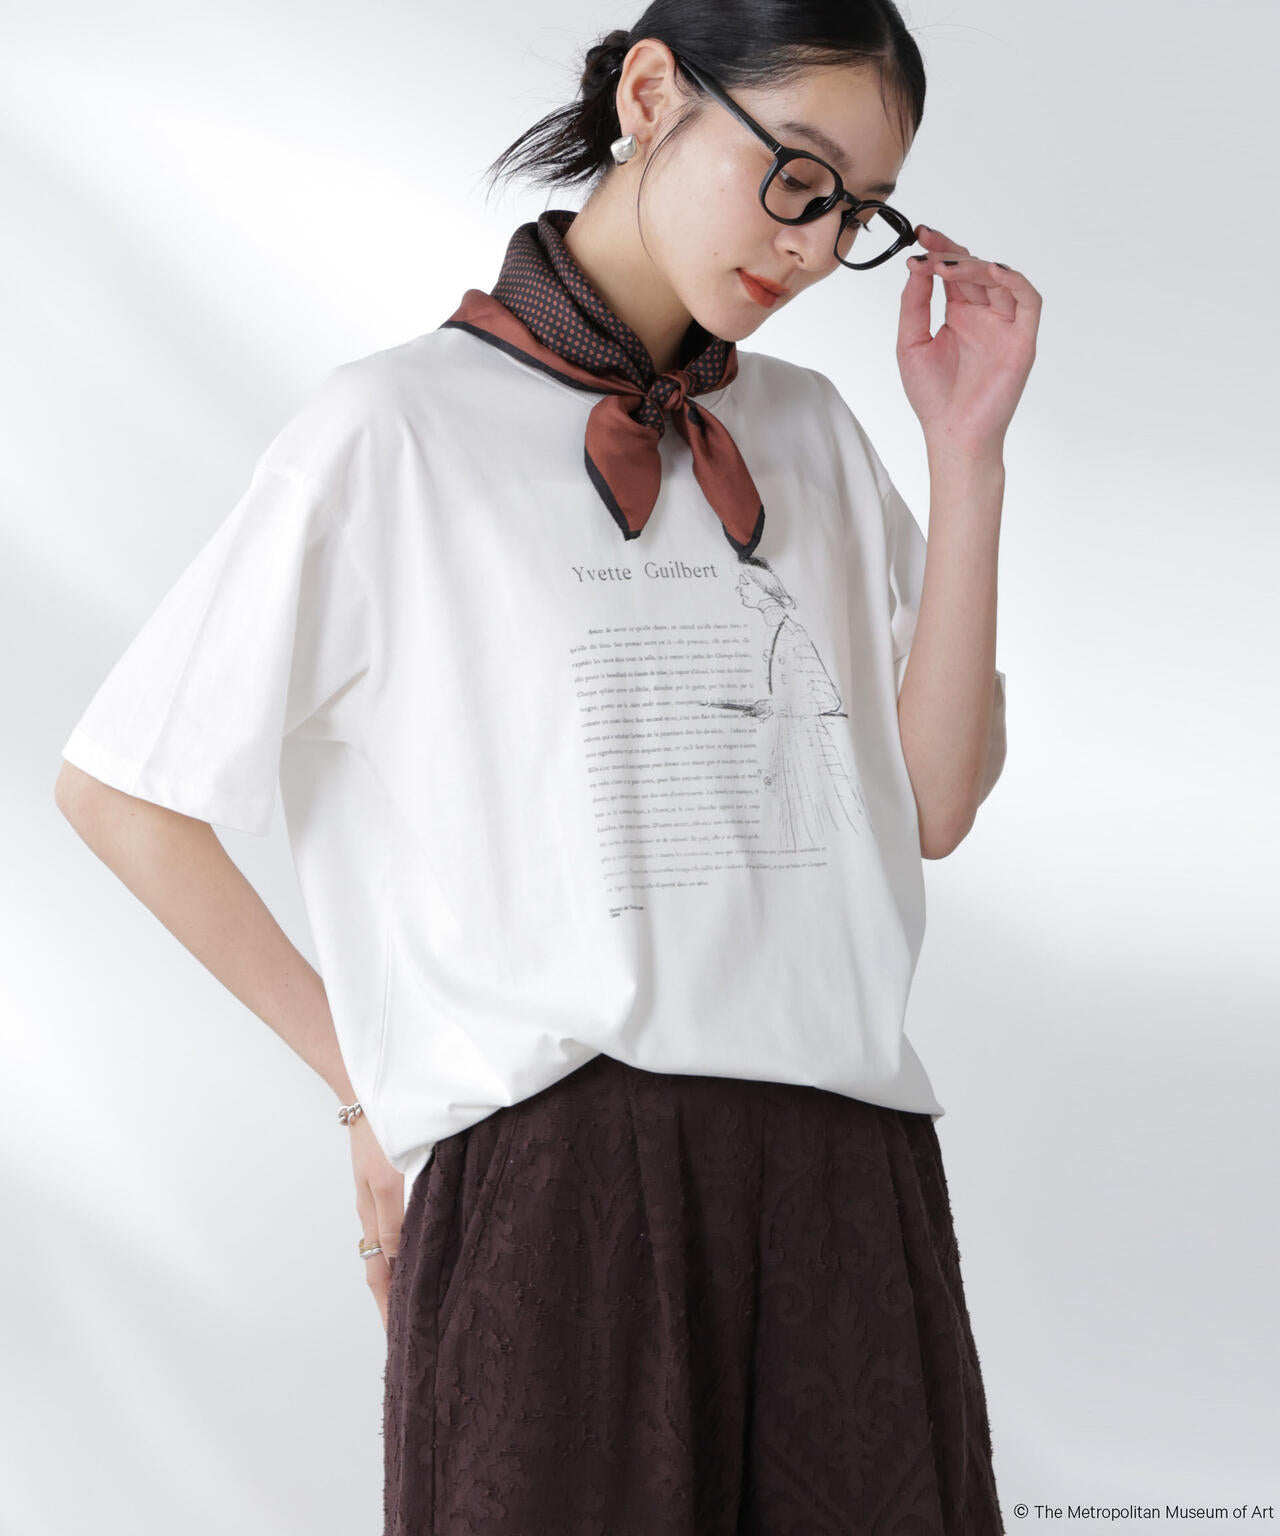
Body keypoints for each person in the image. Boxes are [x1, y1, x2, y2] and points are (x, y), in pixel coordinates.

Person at [55, 2, 1040, 1531]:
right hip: (556, 1194)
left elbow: (936, 807)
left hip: (850, 1177)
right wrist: (368, 1088)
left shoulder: (816, 435)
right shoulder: (394, 430)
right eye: (796, 176)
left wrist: (967, 452)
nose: (808, 246)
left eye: (855, 214)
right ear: (651, 95)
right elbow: (123, 790)